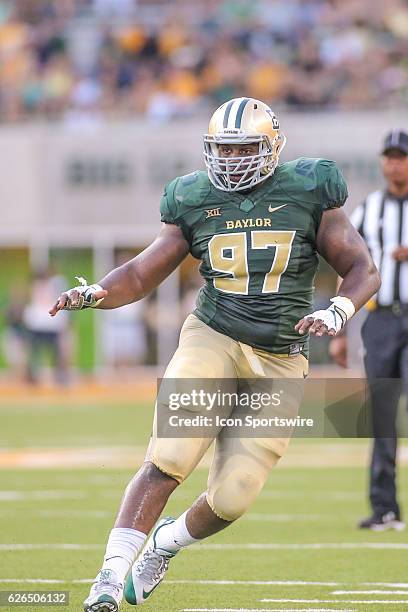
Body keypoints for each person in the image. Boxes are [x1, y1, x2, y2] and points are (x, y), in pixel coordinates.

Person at [49, 97, 380, 612]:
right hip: (214, 333)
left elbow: (361, 267)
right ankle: (109, 578)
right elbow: (141, 272)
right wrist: (97, 292)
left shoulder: (309, 186)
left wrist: (338, 309)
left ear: (272, 145)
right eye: (224, 149)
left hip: (281, 355)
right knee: (170, 453)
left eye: (246, 146)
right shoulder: (193, 196)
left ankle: (165, 543)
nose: (233, 158)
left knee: (233, 496)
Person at [330, 129, 408, 532]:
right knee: (381, 412)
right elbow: (346, 264)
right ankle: (385, 508)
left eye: (401, 156)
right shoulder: (370, 208)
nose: (394, 163)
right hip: (380, 321)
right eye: (389, 157)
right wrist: (340, 327)